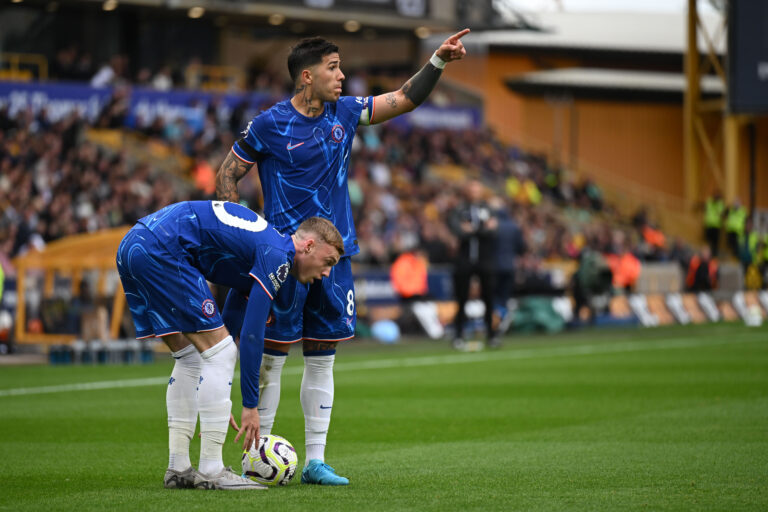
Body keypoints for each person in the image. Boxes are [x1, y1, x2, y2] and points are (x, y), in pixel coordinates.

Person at [215, 30, 470, 485]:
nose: (342, 75)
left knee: (322, 357)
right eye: (333, 68)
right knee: (273, 358)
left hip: (336, 258)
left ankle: (315, 461)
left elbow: (404, 99)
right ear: (307, 76)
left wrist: (438, 61)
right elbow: (227, 175)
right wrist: (248, 235)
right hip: (287, 260)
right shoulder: (269, 124)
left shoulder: (345, 113)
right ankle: (257, 459)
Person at [116, 200, 343, 490]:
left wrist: (215, 400)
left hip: (134, 245)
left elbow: (232, 318)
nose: (326, 274)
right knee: (221, 352)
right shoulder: (277, 256)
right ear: (309, 246)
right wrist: (250, 406)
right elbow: (250, 335)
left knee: (192, 356)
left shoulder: (265, 246)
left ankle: (179, 468)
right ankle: (212, 469)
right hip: (162, 248)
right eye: (329, 263)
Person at [448, 179, 498, 349]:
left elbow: (494, 231)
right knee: (461, 298)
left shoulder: (488, 209)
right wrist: (483, 228)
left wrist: (473, 229)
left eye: (477, 189)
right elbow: (458, 230)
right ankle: (458, 335)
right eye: (472, 189)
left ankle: (492, 334)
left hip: (485, 260)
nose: (474, 193)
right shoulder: (459, 210)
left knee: (489, 298)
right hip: (464, 260)